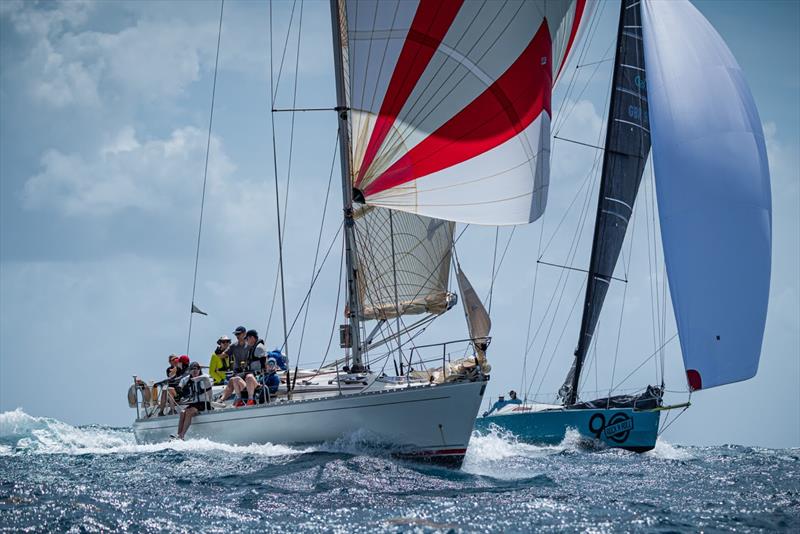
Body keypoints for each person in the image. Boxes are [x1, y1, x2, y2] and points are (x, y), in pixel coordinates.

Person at [218, 329, 267, 407]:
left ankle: (250, 400)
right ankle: (237, 400)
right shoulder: (250, 347)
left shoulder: (259, 348)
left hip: (256, 378)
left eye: (247, 339)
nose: (246, 341)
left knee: (249, 377)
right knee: (234, 379)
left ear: (252, 338)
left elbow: (265, 362)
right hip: (250, 375)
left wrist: (265, 373)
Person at [172, 362, 213, 440]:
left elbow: (206, 379)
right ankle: (178, 435)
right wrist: (180, 389)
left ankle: (182, 435)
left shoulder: (205, 377)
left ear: (199, 369)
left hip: (204, 403)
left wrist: (193, 380)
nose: (194, 371)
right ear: (189, 370)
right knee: (182, 412)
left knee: (189, 412)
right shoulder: (186, 379)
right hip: (194, 404)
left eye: (196, 369)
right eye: (192, 369)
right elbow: (180, 385)